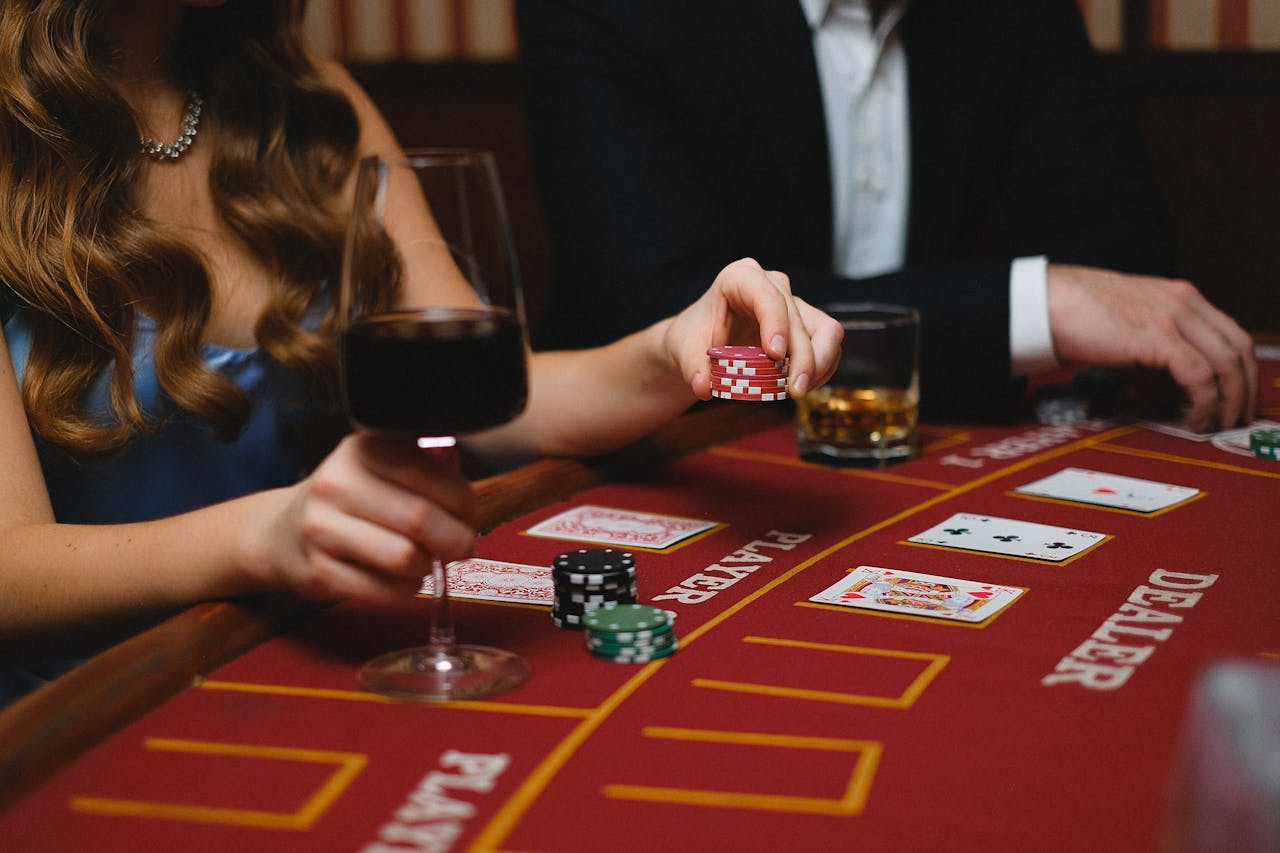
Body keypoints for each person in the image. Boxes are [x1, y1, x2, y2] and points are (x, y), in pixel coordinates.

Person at [0, 0, 842, 706]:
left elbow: (498, 392)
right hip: (81, 718)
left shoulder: (300, 94)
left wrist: (671, 346)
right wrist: (264, 537)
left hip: (292, 661)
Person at [515, 0, 1258, 430]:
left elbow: (1125, 262)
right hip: (655, 456)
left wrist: (1058, 303)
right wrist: (1036, 305)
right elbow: (668, 307)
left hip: (917, 443)